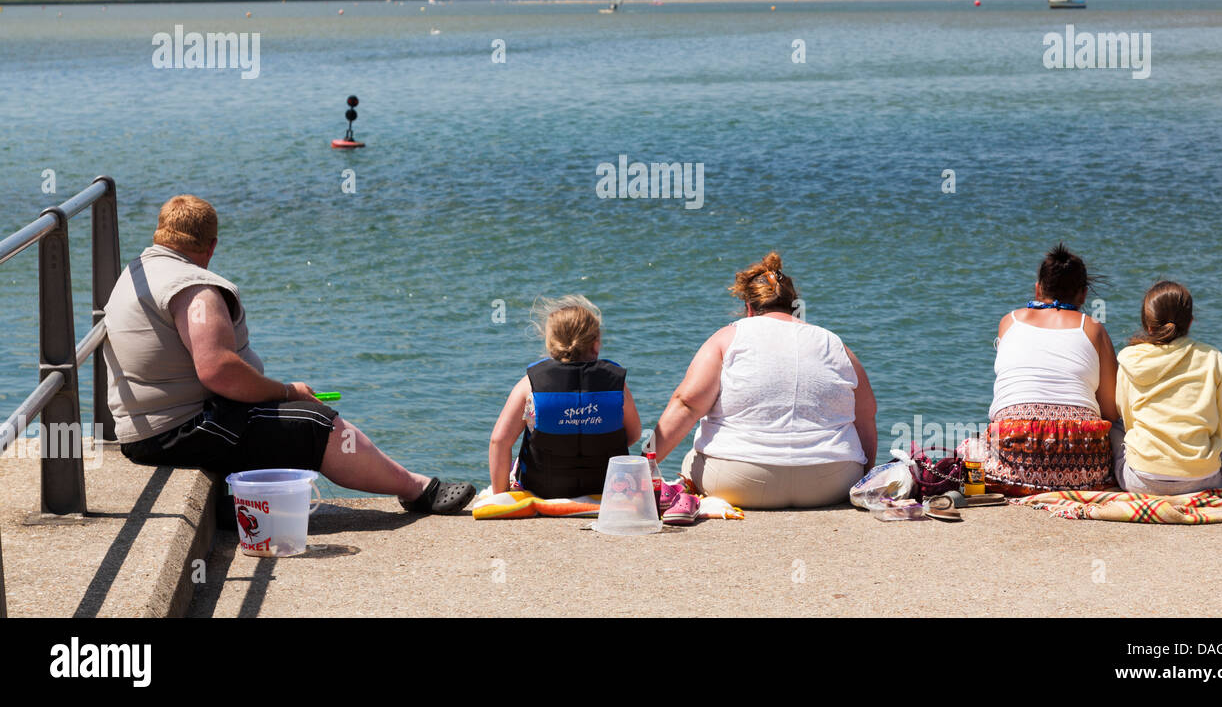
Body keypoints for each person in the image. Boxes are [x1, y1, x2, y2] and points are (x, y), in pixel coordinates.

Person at [104, 195, 474, 514]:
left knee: (288, 416)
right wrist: (287, 392)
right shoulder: (194, 289)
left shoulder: (137, 271)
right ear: (211, 245)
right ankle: (417, 490)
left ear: (160, 235)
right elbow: (218, 371)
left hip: (148, 430)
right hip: (181, 432)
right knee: (314, 422)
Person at [650, 252, 877, 509]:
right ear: (795, 304)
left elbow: (688, 403)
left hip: (738, 481)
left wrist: (642, 465)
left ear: (749, 307)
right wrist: (864, 475)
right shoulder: (834, 343)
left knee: (692, 458)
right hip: (833, 482)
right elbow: (866, 416)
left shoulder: (728, 337)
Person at [983, 244, 1120, 493]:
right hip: (1084, 469)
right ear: (1083, 295)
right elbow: (1110, 411)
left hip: (1012, 463)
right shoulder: (1094, 328)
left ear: (1037, 289)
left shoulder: (1009, 322)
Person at [1111, 281, 1222, 495]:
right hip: (1204, 479)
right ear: (1191, 322)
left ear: (1148, 325)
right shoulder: (1212, 357)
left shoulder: (1129, 360)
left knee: (1114, 428)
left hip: (1140, 480)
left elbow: (1128, 422)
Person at [488, 295, 641, 498]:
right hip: (606, 486)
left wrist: (501, 495)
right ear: (595, 345)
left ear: (551, 343)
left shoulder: (530, 384)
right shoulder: (616, 382)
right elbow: (633, 435)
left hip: (543, 489)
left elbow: (499, 441)